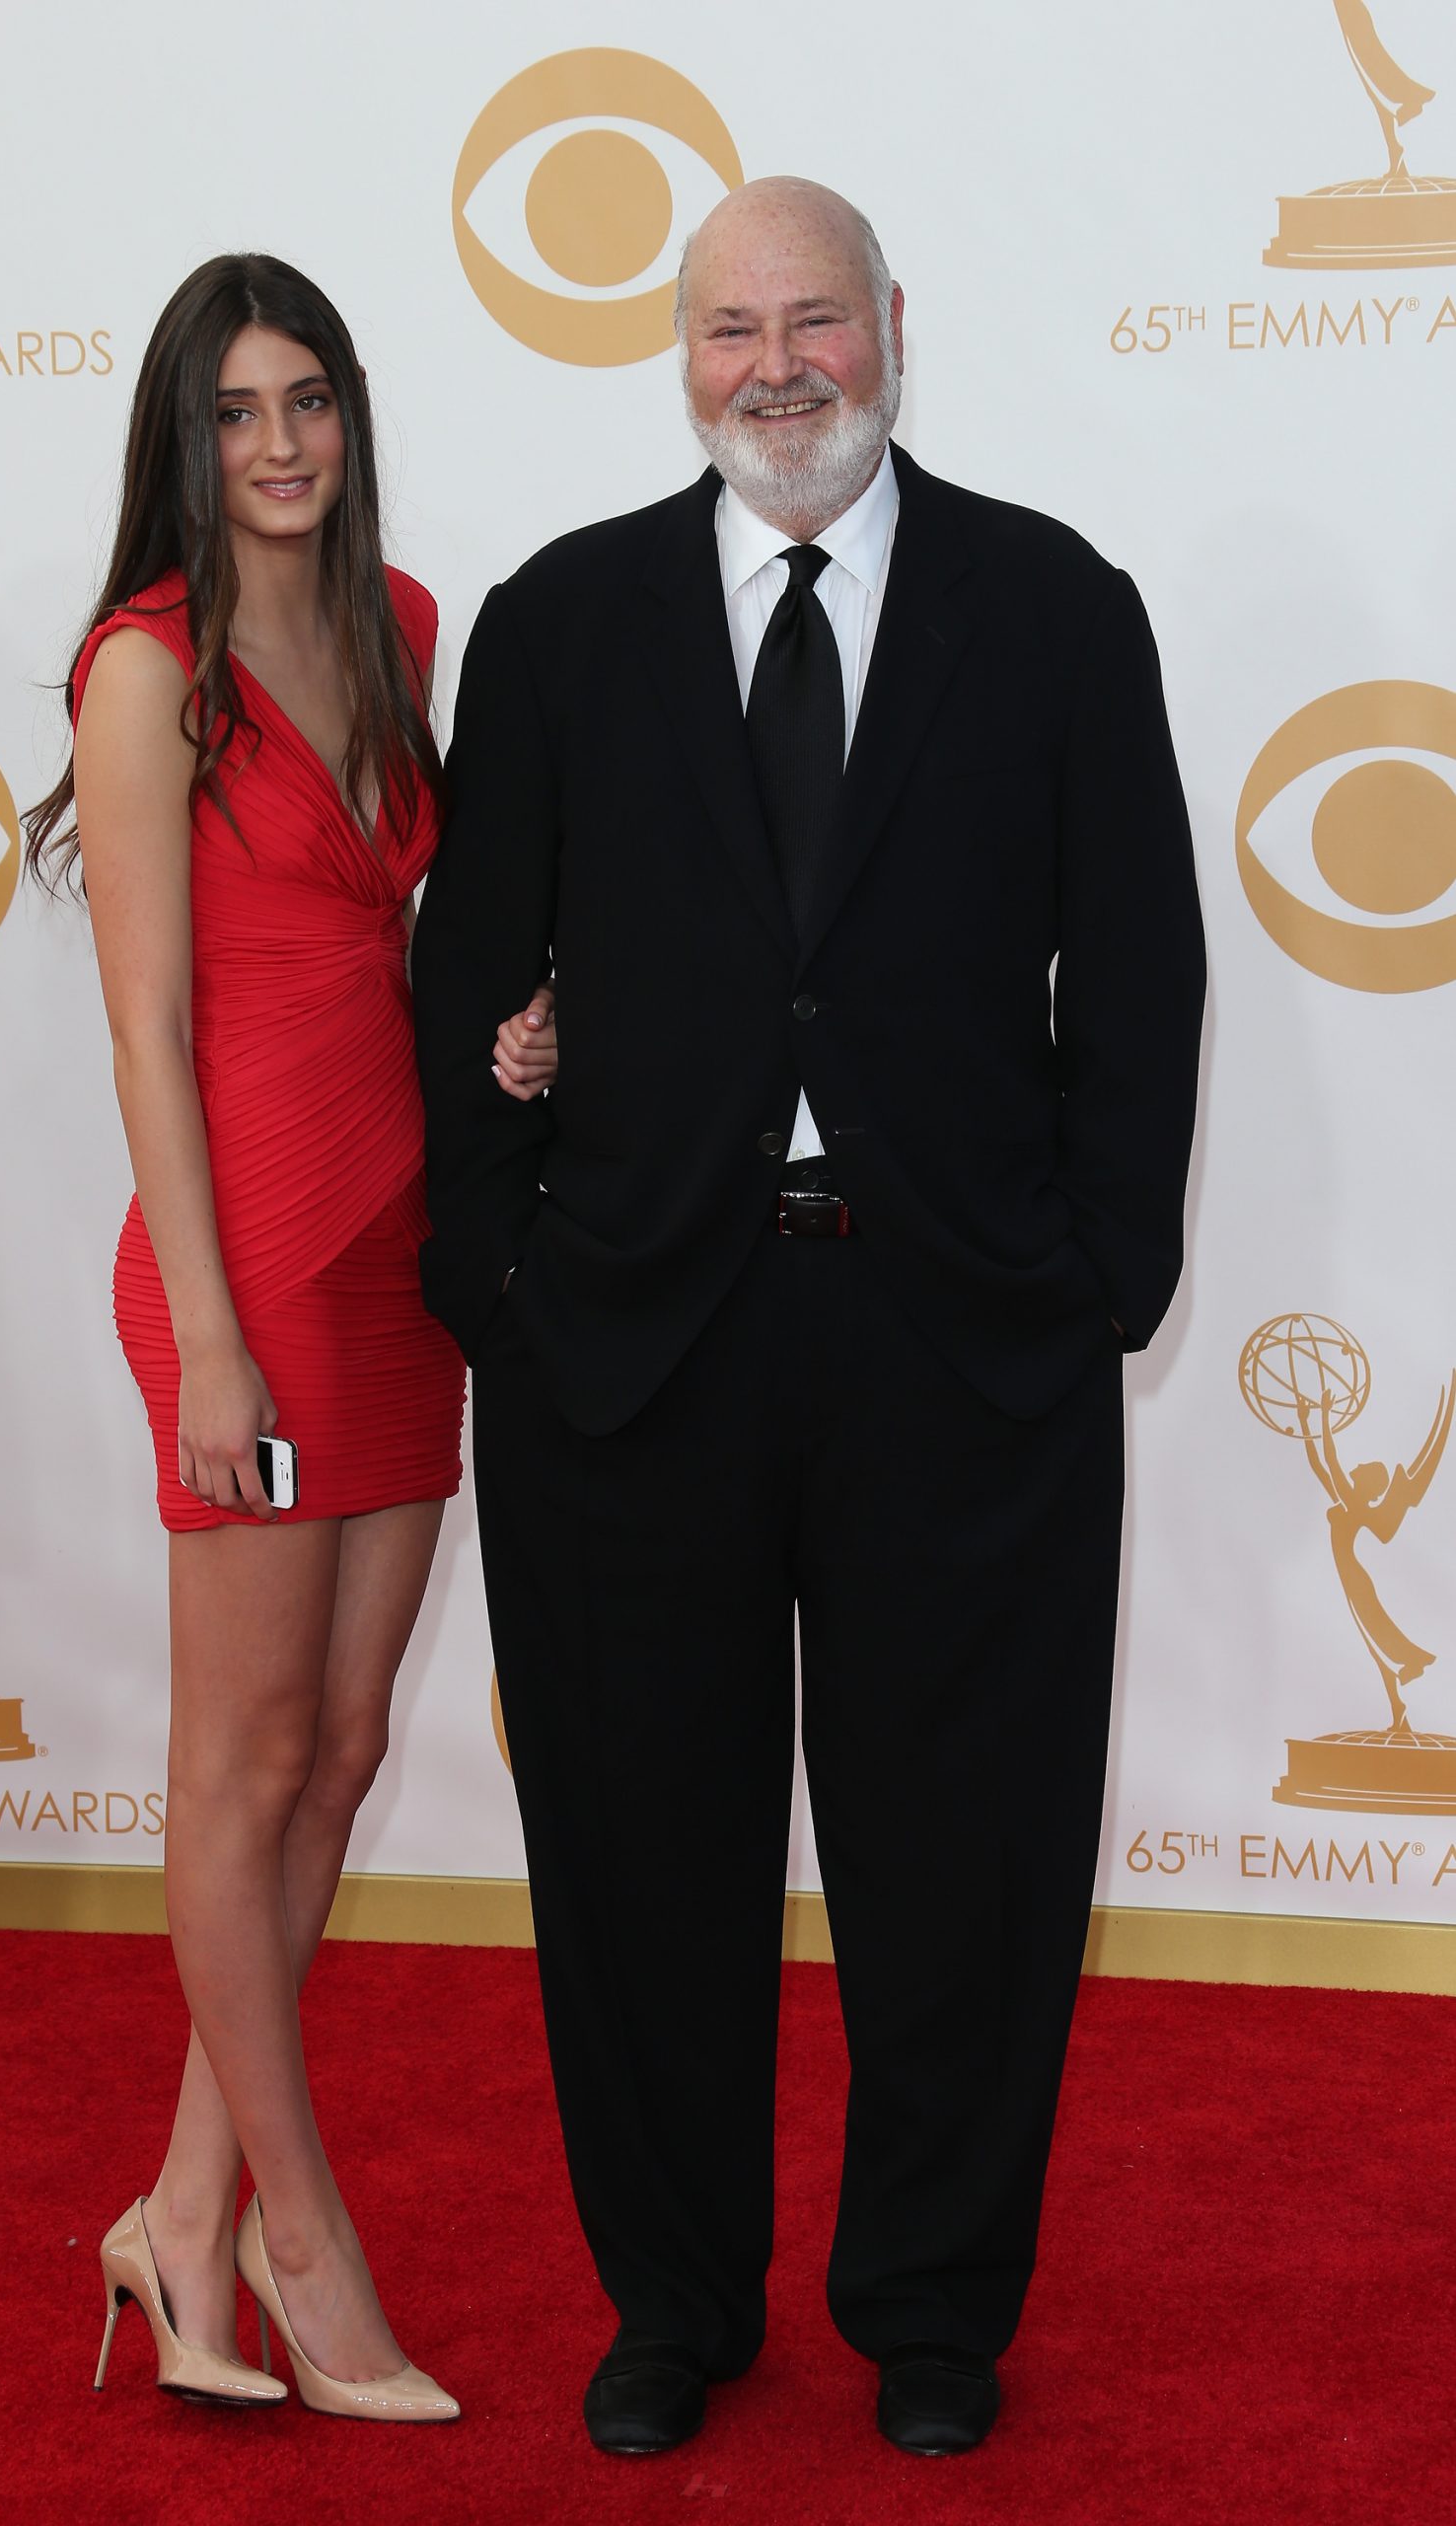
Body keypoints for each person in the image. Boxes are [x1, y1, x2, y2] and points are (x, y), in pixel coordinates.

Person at [413, 178, 1205, 2459]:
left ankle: (935, 2305)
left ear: (891, 332)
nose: (778, 365)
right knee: (639, 1852)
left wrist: (1097, 1283)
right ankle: (676, 2295)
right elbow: (470, 972)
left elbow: (1137, 974)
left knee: (964, 1851)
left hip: (961, 1342)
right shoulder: (564, 623)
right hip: (630, 1347)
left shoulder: (1053, 607)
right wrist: (501, 1283)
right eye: (731, 326)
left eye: (816, 320)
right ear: (682, 356)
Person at [26, 254, 555, 2420]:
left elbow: (390, 931)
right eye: (235, 410)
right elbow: (148, 1024)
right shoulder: (146, 671)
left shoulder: (406, 623)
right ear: (183, 437)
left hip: (398, 1239)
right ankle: (299, 2237)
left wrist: (497, 1038)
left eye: (308, 401)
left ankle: (176, 2213)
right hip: (240, 1260)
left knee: (337, 1747)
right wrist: (214, 1341)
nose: (277, 444)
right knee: (238, 1766)